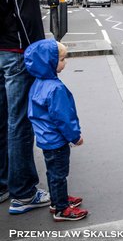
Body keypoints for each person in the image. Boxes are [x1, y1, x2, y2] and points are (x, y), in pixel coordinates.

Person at [0, 0, 50, 214]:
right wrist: (42, 58)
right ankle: (23, 191)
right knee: (20, 122)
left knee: (1, 118)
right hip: (17, 51)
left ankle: (3, 184)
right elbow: (27, 16)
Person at [24, 40, 87, 221]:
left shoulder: (38, 83)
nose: (65, 63)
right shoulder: (56, 88)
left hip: (45, 139)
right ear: (48, 62)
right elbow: (63, 118)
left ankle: (56, 199)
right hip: (57, 140)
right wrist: (75, 137)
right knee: (60, 174)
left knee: (52, 172)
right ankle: (62, 209)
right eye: (61, 59)